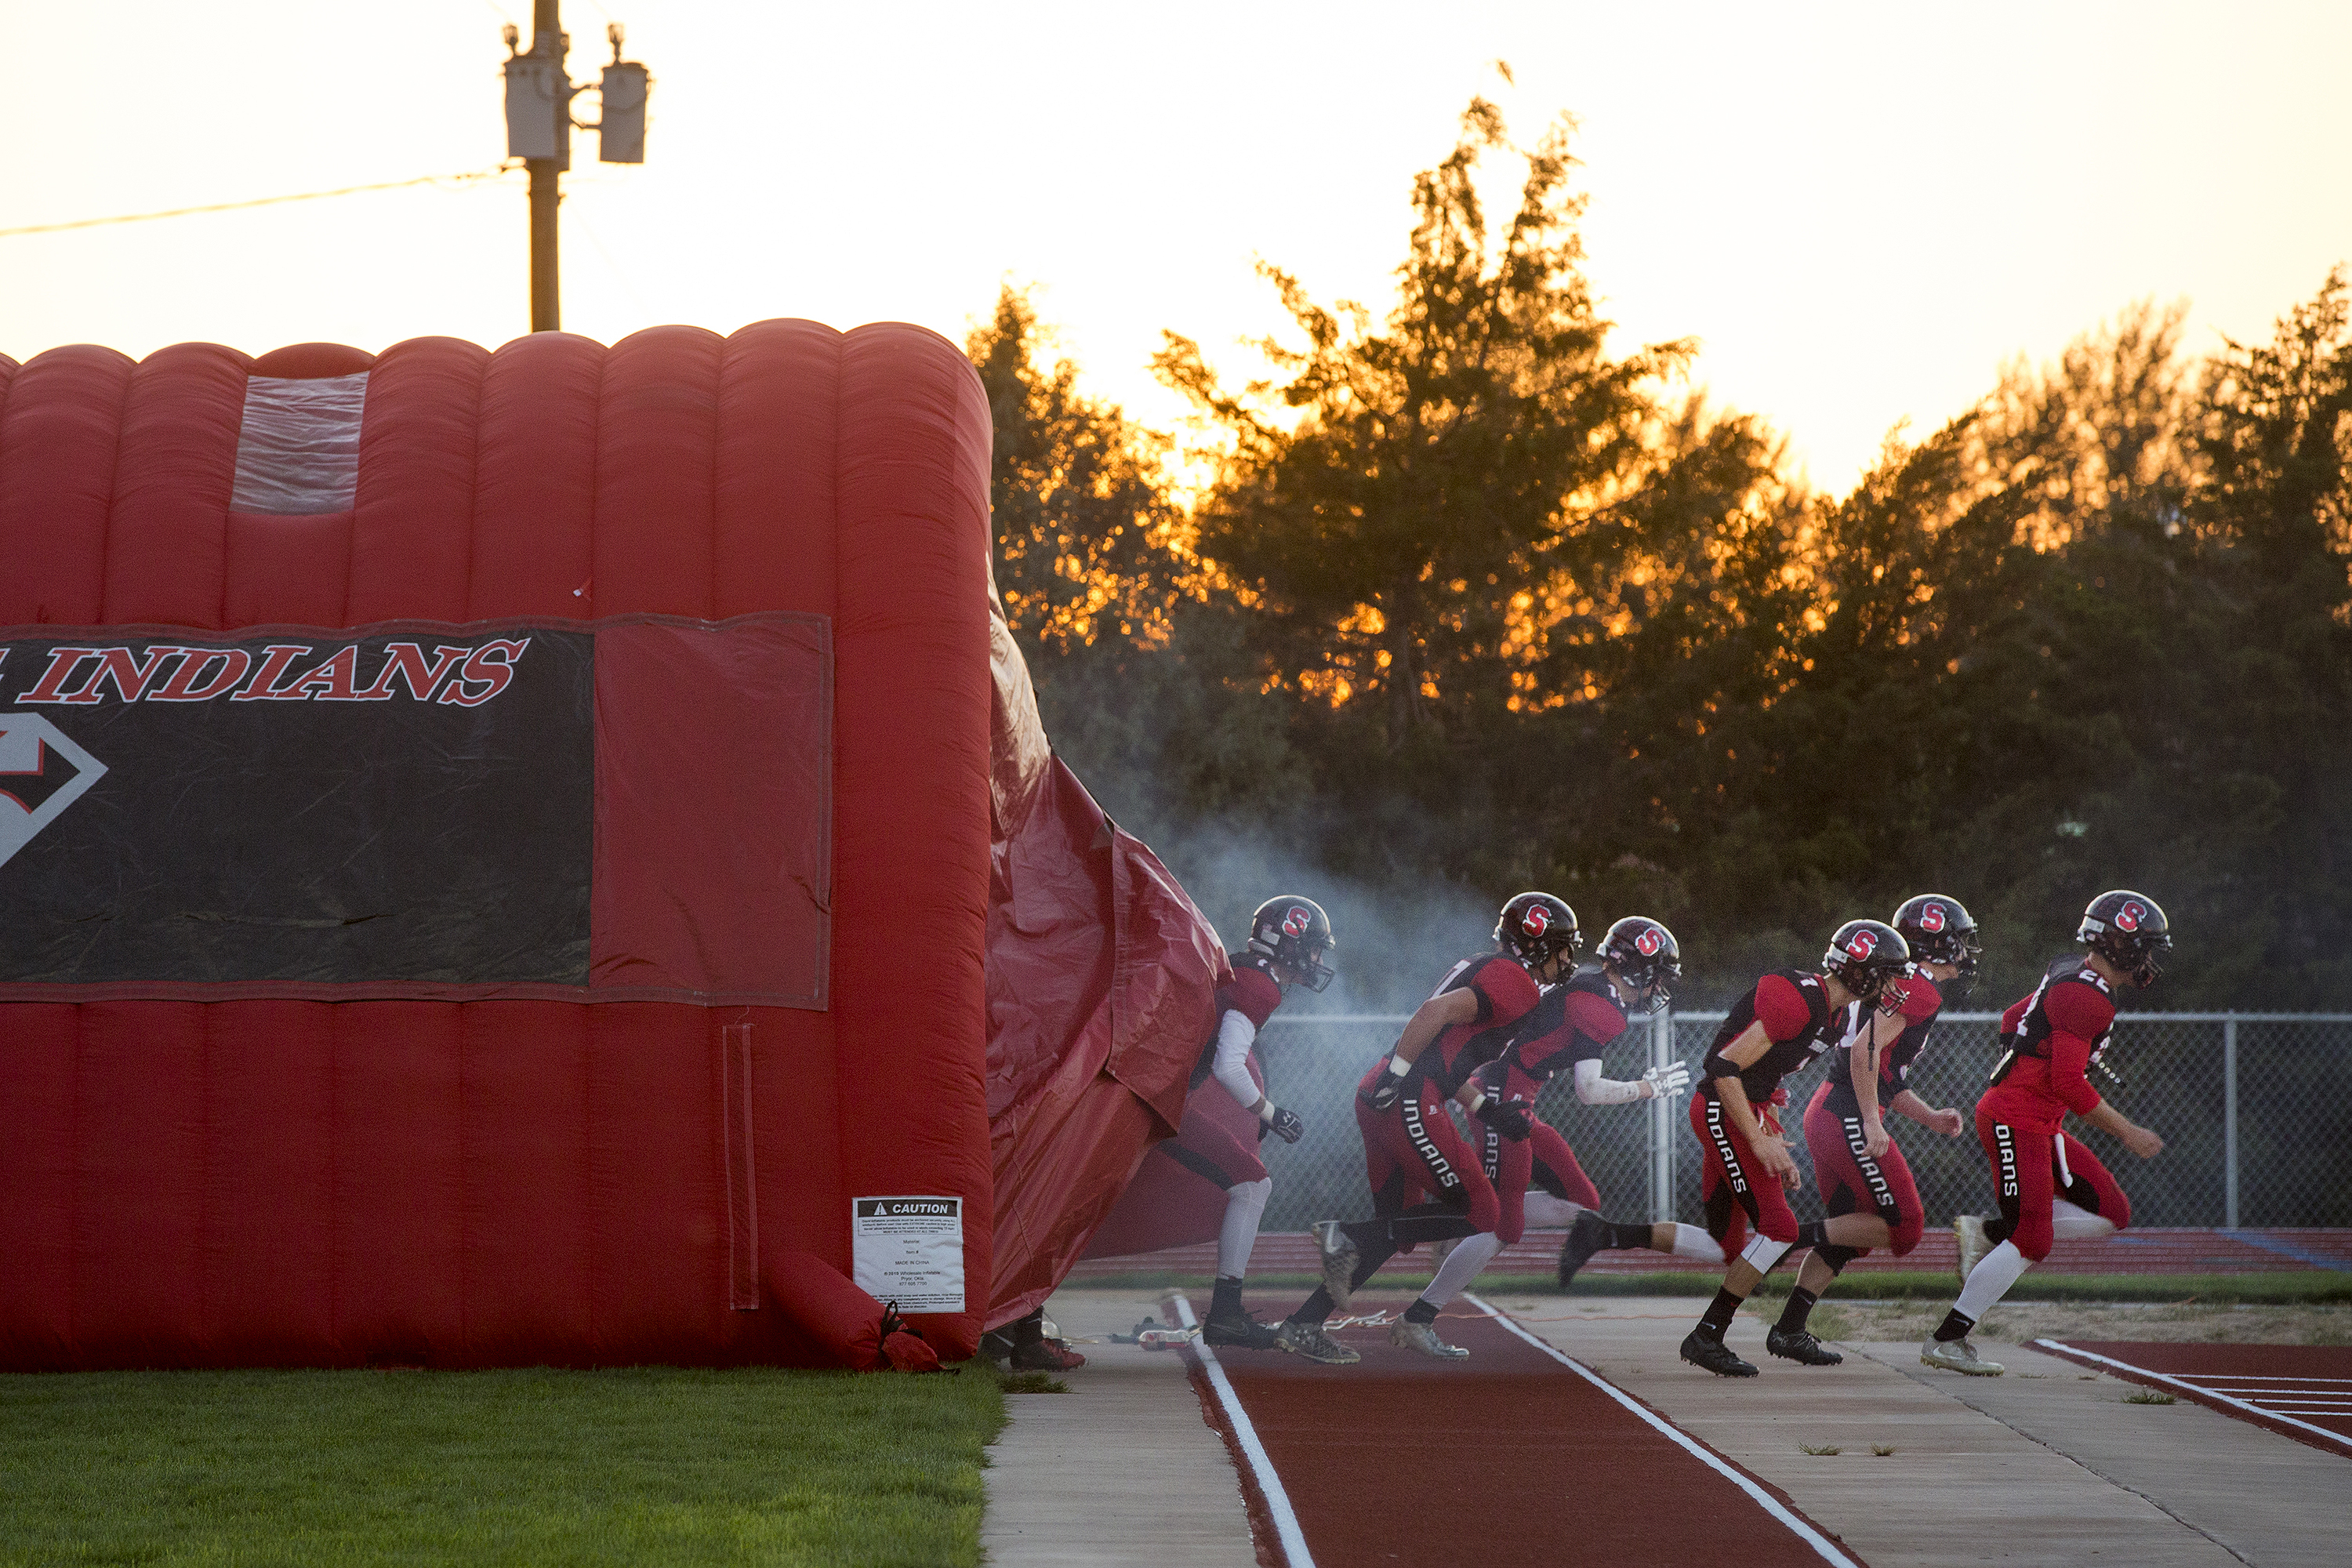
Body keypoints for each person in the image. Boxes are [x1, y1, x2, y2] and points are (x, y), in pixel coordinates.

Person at [999, 895, 1330, 1371]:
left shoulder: (1243, 970)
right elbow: (1230, 1066)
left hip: (1149, 1091)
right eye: (1314, 949)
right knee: (1068, 1205)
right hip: (1147, 1097)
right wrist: (1271, 1113)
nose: (1318, 961)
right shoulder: (1259, 986)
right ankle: (1225, 1313)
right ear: (1290, 943)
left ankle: (1013, 1324)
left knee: (1069, 1203)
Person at [1275, 893, 1576, 1364]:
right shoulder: (1514, 980)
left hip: (1390, 1090)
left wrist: (1486, 1109)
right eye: (1562, 948)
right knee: (1482, 1211)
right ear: (1538, 946)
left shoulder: (1491, 968)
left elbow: (1447, 1052)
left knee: (1393, 1232)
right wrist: (1399, 1078)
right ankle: (1347, 1237)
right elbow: (1433, 1017)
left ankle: (1304, 1324)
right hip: (1409, 1095)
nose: (1567, 960)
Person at [1922, 891, 2171, 1377]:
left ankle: (1990, 1231)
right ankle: (1948, 1339)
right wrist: (2126, 1131)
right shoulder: (2086, 994)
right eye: (2144, 947)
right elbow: (2065, 1081)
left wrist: (2023, 1052)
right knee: (2034, 1239)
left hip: (2040, 1122)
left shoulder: (2070, 970)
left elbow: (2014, 1018)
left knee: (2111, 1212)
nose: (2149, 958)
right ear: (2123, 947)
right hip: (2018, 1119)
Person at [1677, 919, 1915, 1377]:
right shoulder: (1800, 1000)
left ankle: (1710, 1333)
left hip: (1748, 1108)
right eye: (1886, 975)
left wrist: (1774, 1132)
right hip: (1719, 1105)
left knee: (1770, 1228)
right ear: (1860, 971)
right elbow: (1722, 1066)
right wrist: (1758, 1141)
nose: (1893, 986)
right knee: (1779, 1227)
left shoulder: (1839, 1012)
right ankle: (1706, 1336)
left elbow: (1770, 1077)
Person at [1421, 917, 1706, 1291]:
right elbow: (1589, 1091)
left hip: (1516, 1092)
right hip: (1504, 1096)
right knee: (1503, 1225)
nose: (1658, 986)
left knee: (1581, 1200)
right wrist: (1647, 1088)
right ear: (1637, 969)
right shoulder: (1600, 1004)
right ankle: (1423, 1311)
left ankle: (1463, 1211)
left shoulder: (1596, 986)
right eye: (1657, 975)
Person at [1766, 895, 1978, 1366]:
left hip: (1830, 1109)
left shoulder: (1903, 983)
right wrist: (1870, 1120)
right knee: (1905, 1227)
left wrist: (1929, 1117)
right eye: (1958, 941)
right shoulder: (1919, 988)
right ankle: (1781, 1237)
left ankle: (1789, 1329)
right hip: (1843, 1115)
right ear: (1937, 943)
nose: (1964, 952)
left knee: (1851, 1235)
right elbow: (1865, 1051)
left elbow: (1884, 1075)